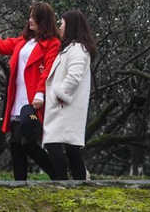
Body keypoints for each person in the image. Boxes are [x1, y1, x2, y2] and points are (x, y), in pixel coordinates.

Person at [0, 2, 60, 180]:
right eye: (30, 16)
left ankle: (58, 176)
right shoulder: (24, 41)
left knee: (28, 143)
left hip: (34, 99)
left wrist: (40, 93)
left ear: (43, 19)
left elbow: (48, 71)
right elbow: (1, 45)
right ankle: (20, 184)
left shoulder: (52, 43)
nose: (30, 20)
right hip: (18, 99)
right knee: (16, 143)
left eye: (34, 16)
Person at [43, 9, 96, 180]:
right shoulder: (73, 48)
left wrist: (60, 93)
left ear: (71, 26)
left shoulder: (77, 49)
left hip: (66, 105)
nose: (59, 27)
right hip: (67, 107)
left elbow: (74, 76)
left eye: (62, 23)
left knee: (53, 142)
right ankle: (77, 184)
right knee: (72, 149)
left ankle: (61, 183)